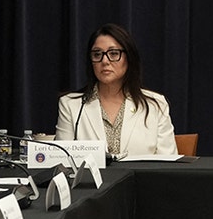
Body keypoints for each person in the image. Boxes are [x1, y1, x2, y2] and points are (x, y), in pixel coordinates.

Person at [55, 23, 177, 156]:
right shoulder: (71, 105)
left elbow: (168, 165)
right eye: (97, 54)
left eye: (114, 53)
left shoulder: (155, 105)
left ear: (129, 58)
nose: (105, 61)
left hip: (143, 177)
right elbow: (61, 161)